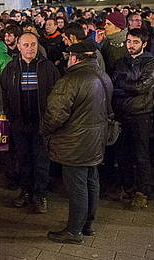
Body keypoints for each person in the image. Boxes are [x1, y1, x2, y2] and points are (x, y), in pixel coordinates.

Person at [42, 40, 112, 244]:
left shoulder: (70, 80)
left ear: (74, 57)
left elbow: (55, 115)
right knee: (91, 181)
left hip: (75, 142)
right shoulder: (103, 76)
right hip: (96, 139)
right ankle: (87, 224)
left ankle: (74, 231)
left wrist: (44, 131)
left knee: (77, 186)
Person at [1, 31, 59, 213]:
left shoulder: (47, 67)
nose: (30, 49)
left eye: (33, 44)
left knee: (41, 160)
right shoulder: (11, 68)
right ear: (18, 47)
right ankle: (26, 191)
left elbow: (57, 94)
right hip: (19, 123)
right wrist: (11, 116)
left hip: (41, 123)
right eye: (25, 45)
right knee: (23, 159)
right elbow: (4, 93)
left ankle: (40, 195)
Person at [111, 28, 154, 209]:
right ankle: (126, 186)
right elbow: (113, 84)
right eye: (129, 41)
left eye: (135, 42)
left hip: (141, 113)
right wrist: (126, 87)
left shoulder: (151, 63)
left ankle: (142, 191)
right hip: (122, 112)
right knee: (122, 153)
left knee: (141, 154)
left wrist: (123, 85)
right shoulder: (120, 62)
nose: (131, 45)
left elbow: (141, 87)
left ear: (144, 44)